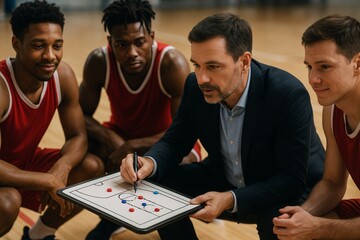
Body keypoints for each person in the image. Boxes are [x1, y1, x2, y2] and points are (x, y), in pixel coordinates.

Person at [119, 12, 325, 240]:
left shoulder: (287, 94)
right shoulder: (195, 87)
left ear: (244, 62)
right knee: (157, 182)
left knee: (279, 222)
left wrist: (229, 198)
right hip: (225, 178)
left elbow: (290, 181)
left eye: (213, 66)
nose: (201, 78)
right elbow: (175, 141)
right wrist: (149, 162)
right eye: (196, 65)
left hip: (282, 188)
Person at [79, 0, 202, 239]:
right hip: (121, 136)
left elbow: (185, 133)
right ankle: (111, 217)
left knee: (181, 164)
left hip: (168, 140)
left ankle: (170, 217)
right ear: (110, 43)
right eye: (122, 45)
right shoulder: (99, 61)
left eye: (139, 42)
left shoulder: (171, 63)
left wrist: (132, 146)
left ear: (152, 36)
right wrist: (111, 137)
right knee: (88, 148)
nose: (132, 52)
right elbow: (79, 115)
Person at [0, 1, 104, 239]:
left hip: (23, 166)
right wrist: (47, 180)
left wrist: (61, 169)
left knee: (91, 167)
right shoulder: (1, 87)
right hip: (5, 180)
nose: (50, 56)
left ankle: (39, 235)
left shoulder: (62, 76)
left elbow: (78, 136)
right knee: (7, 202)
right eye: (38, 46)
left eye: (57, 45)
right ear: (17, 44)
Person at [272, 14, 360, 240]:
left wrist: (318, 227)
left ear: (357, 63)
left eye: (324, 67)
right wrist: (304, 214)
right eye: (310, 66)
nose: (313, 78)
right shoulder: (333, 112)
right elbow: (332, 183)